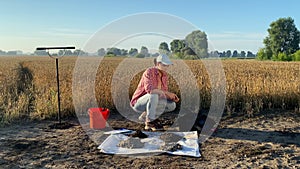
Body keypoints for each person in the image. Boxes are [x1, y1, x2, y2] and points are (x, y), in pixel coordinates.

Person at [130, 54, 180, 131]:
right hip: (139, 103)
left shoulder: (164, 76)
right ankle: (149, 122)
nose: (166, 67)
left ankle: (146, 115)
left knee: (172, 105)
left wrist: (171, 97)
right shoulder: (149, 72)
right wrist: (167, 93)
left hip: (152, 100)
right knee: (154, 95)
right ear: (157, 64)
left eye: (167, 65)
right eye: (164, 65)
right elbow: (150, 90)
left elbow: (162, 93)